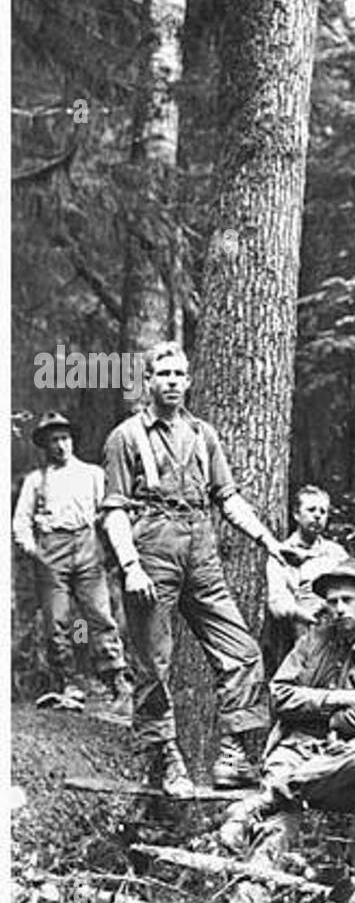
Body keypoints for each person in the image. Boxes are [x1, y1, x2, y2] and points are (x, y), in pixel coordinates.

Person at [100, 342, 287, 798]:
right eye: (162, 373)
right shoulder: (126, 436)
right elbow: (113, 511)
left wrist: (267, 540)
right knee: (152, 663)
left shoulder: (204, 435)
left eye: (179, 374)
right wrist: (131, 566)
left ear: (189, 380)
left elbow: (227, 497)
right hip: (151, 545)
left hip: (201, 546)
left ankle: (232, 756)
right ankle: (167, 759)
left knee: (241, 650)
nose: (172, 381)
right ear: (147, 381)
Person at [218, 557, 355, 864]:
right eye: (332, 602)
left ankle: (263, 800)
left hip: (341, 765)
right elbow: (278, 695)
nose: (339, 609)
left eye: (348, 600)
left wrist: (333, 720)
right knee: (283, 819)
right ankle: (251, 889)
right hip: (296, 750)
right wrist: (335, 700)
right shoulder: (315, 640)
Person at [13, 411, 130, 711]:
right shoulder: (36, 481)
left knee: (100, 616)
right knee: (58, 622)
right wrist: (34, 551)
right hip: (52, 551)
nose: (60, 445)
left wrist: (111, 545)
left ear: (72, 439)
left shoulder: (92, 474)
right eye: (53, 440)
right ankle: (68, 683)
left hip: (88, 547)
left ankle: (115, 682)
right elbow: (20, 523)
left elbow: (109, 512)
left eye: (64, 438)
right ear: (45, 445)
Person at [262, 484, 347, 676]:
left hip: (338, 632)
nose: (317, 516)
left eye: (323, 511)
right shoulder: (281, 555)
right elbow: (277, 604)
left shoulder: (336, 554)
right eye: (311, 510)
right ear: (296, 514)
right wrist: (305, 614)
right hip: (298, 637)